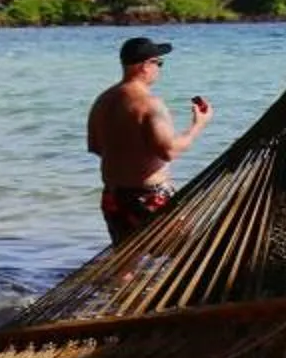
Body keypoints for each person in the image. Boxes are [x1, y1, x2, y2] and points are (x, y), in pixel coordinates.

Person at [86, 36, 210, 242]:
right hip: (150, 196)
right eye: (158, 63)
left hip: (114, 195)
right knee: (184, 252)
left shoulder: (102, 101)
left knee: (125, 260)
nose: (159, 69)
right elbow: (168, 151)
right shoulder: (150, 104)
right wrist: (198, 125)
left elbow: (96, 146)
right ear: (145, 66)